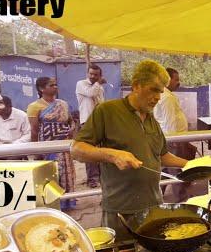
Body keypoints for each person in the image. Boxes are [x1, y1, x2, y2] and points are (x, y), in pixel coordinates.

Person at [71, 60, 191, 239]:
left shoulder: (151, 119)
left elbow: (162, 155)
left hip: (153, 208)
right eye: (154, 89)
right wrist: (112, 155)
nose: (158, 97)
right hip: (121, 211)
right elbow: (77, 149)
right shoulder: (107, 111)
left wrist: (193, 165)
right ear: (136, 86)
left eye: (161, 91)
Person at [27, 77, 77, 210]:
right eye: (51, 85)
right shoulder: (34, 107)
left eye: (56, 85)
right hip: (47, 146)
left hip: (64, 145)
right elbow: (35, 130)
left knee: (66, 173)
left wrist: (71, 132)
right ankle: (52, 203)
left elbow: (71, 121)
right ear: (41, 89)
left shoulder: (63, 104)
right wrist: (36, 150)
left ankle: (67, 202)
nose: (55, 87)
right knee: (52, 173)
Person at [153, 67, 195, 200]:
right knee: (176, 170)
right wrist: (175, 142)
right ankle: (182, 199)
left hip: (169, 139)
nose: (179, 82)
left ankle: (156, 195)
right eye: (176, 79)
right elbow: (169, 122)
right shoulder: (167, 97)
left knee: (166, 170)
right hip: (172, 140)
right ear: (167, 79)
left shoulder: (165, 95)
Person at [76, 63, 106, 188]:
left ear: (100, 75)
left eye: (96, 75)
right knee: (89, 152)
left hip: (99, 122)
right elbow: (91, 94)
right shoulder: (81, 84)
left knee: (100, 151)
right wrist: (98, 83)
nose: (93, 76)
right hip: (87, 122)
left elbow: (101, 102)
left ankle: (100, 176)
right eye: (91, 74)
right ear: (87, 74)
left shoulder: (99, 87)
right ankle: (92, 179)